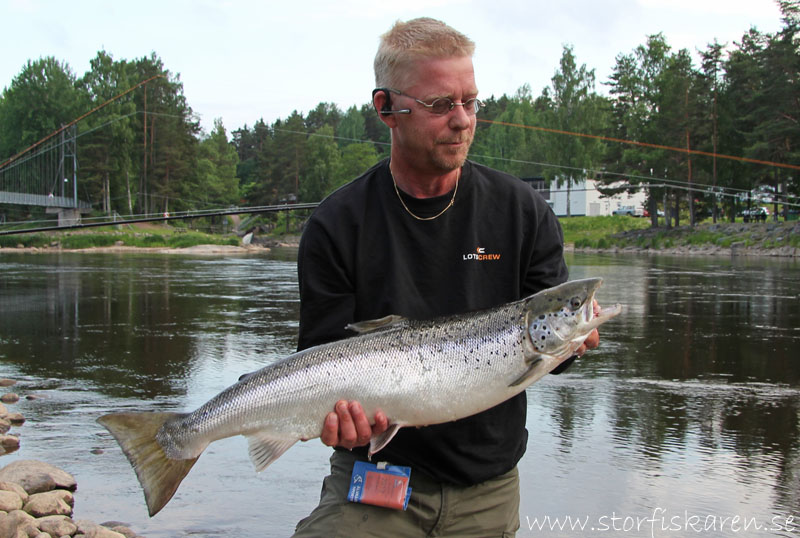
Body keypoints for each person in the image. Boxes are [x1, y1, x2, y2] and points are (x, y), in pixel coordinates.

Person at [292, 17, 600, 537]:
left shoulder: (523, 212)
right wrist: (342, 426)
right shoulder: (335, 225)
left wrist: (572, 345)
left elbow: (545, 352)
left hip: (488, 487)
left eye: (471, 102)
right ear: (386, 108)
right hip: (374, 478)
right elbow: (319, 362)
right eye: (440, 105)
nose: (462, 120)